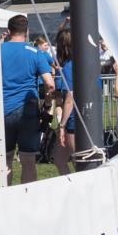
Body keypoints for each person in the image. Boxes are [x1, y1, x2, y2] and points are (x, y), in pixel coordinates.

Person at [0, 15, 54, 185]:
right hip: (28, 111)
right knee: (28, 159)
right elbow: (50, 84)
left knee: (5, 158)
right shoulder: (35, 53)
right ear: (27, 31)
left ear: (8, 31)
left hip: (2, 112)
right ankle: (27, 199)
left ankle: (5, 195)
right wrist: (46, 105)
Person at [53, 29, 76, 175]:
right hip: (83, 117)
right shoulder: (85, 63)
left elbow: (70, 99)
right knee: (59, 159)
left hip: (74, 120)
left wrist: (62, 125)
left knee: (79, 161)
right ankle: (73, 189)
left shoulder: (69, 67)